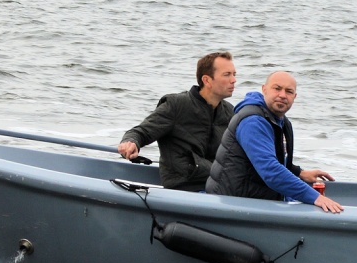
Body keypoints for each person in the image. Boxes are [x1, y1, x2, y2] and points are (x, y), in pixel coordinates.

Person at [205, 70, 343, 213]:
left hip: (255, 199)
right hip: (230, 204)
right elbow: (270, 170)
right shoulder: (253, 122)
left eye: (289, 92)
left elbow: (271, 159)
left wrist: (299, 172)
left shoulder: (279, 121)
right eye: (277, 88)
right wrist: (316, 198)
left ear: (294, 97)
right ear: (264, 89)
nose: (282, 95)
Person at [117, 51, 238, 191]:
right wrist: (131, 143)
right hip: (185, 187)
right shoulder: (177, 105)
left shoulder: (230, 112)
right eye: (227, 74)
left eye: (234, 74)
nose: (233, 80)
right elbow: (142, 132)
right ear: (207, 80)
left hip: (219, 187)